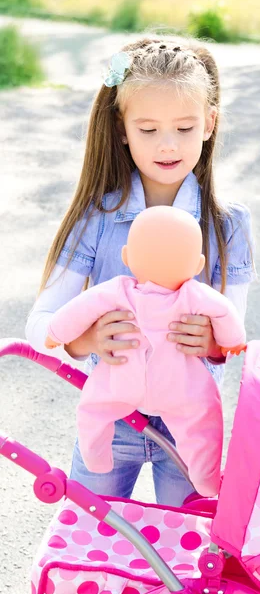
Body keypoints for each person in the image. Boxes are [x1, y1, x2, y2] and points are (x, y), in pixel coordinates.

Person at [25, 35, 255, 507]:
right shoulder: (97, 216)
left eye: (185, 128)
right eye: (148, 129)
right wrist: (85, 339)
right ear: (122, 128)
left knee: (186, 563)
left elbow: (236, 335)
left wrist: (214, 344)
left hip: (191, 431)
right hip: (111, 422)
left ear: (210, 123)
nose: (168, 145)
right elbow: (39, 325)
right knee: (89, 548)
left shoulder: (228, 222)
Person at [44, 206, 247, 497]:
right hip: (181, 389)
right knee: (202, 422)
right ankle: (206, 480)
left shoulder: (118, 291)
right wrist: (232, 341)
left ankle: (96, 458)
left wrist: (56, 333)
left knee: (93, 408)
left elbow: (78, 310)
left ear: (126, 257)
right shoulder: (195, 296)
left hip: (121, 382)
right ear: (198, 264)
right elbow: (227, 316)